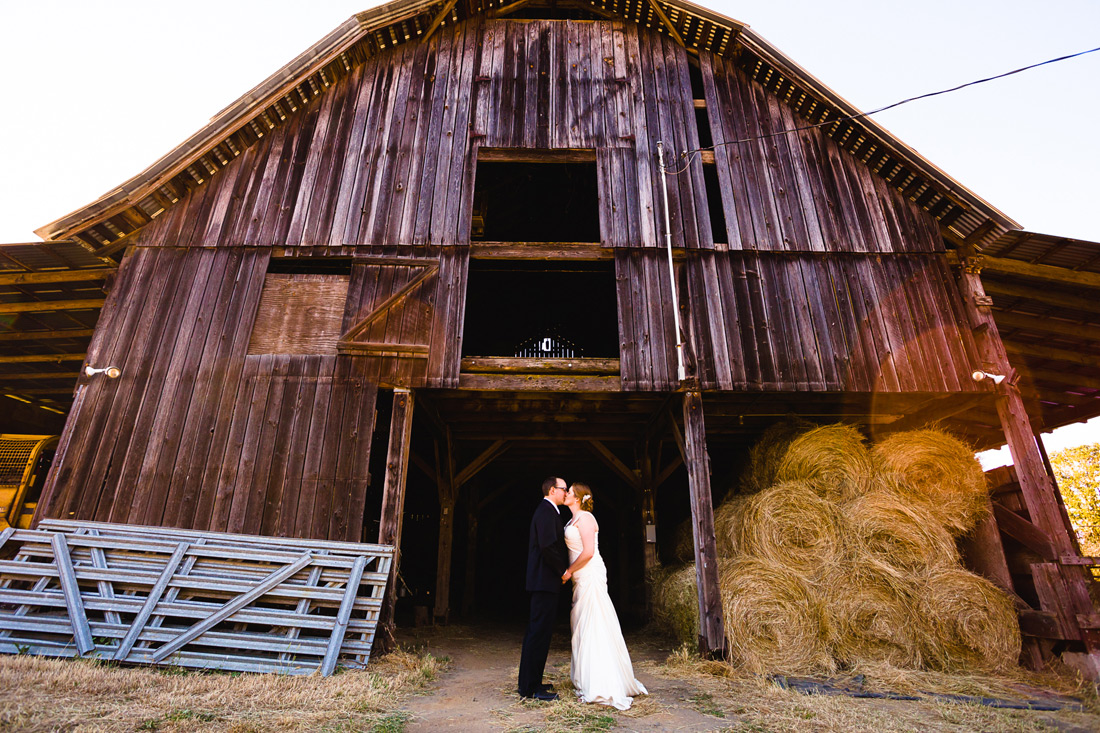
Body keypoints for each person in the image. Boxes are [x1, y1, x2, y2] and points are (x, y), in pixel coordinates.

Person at [561, 482, 647, 710]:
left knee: (593, 623)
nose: (566, 493)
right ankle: (585, 677)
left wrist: (569, 571)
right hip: (581, 576)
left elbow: (588, 552)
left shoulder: (587, 519)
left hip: (589, 573)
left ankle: (600, 683)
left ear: (578, 498)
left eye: (569, 491)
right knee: (581, 622)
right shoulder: (572, 520)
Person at [517, 476, 569, 701]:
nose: (566, 493)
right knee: (538, 633)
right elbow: (548, 546)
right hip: (544, 581)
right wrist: (562, 571)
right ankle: (529, 689)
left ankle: (533, 682)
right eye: (563, 489)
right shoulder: (546, 511)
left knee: (541, 633)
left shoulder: (549, 511)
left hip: (544, 581)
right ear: (551, 490)